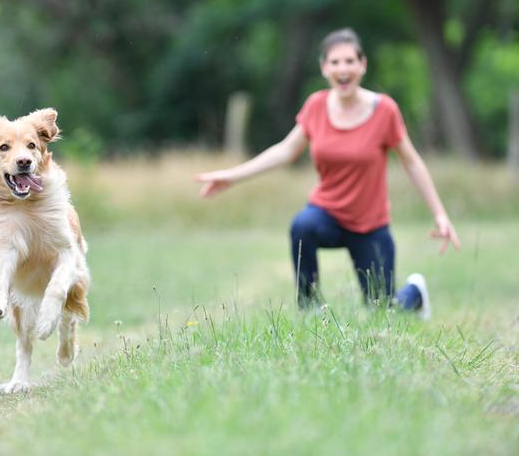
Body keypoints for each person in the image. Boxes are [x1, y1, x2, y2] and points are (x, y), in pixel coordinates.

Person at [195, 28, 461, 318]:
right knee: (302, 226)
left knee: (383, 312)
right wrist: (232, 176)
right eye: (335, 62)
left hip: (370, 225)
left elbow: (411, 161)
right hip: (328, 214)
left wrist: (440, 214)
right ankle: (311, 313)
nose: (342, 69)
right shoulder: (316, 106)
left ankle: (415, 293)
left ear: (363, 65)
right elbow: (285, 151)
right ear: (324, 68)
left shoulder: (385, 110)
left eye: (349, 61)